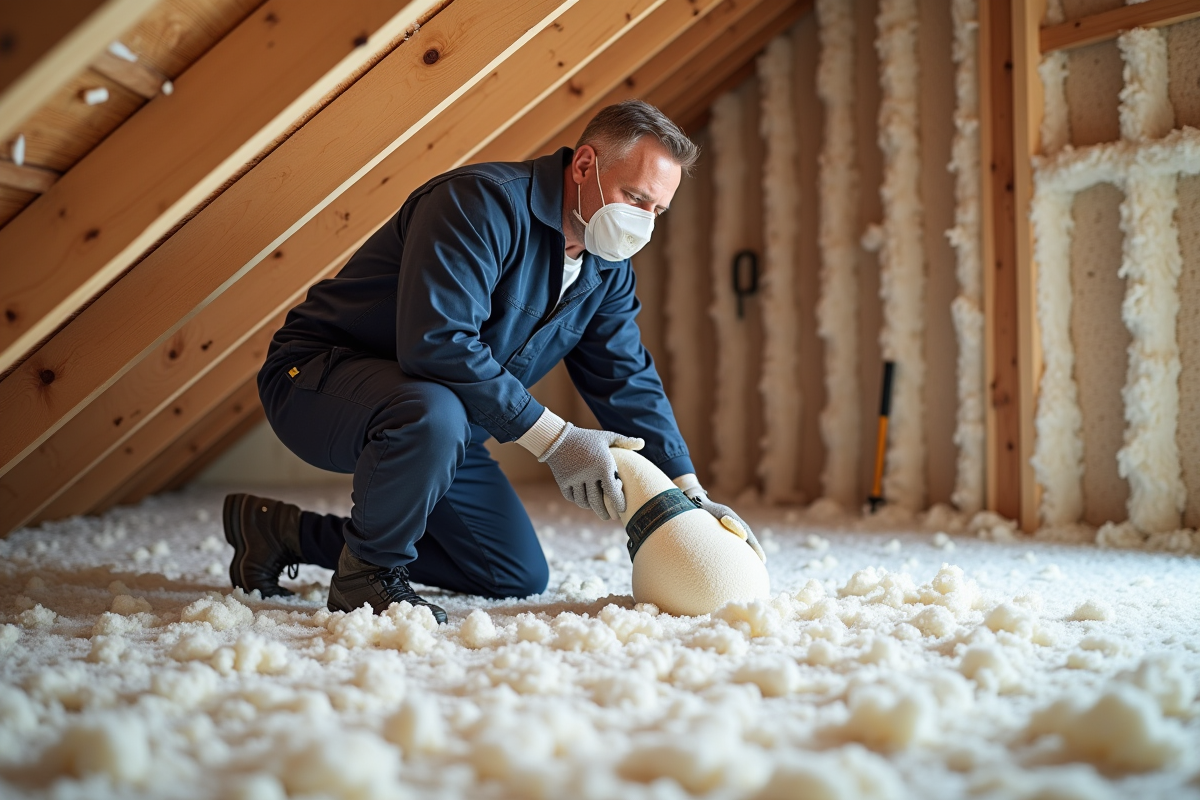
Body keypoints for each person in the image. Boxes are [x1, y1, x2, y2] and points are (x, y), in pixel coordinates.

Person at [223, 101, 763, 623]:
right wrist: (557, 440)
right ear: (583, 165)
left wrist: (688, 491)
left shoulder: (607, 268)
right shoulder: (478, 203)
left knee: (511, 571)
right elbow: (436, 342)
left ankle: (283, 532)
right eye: (634, 197)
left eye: (657, 210)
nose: (643, 222)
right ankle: (367, 574)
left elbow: (625, 377)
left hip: (441, 418)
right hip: (319, 381)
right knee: (432, 409)